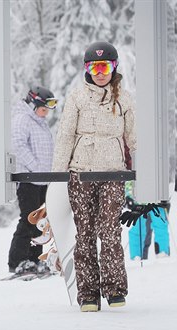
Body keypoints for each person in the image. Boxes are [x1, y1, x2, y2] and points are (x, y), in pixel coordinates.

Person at [52, 41, 136, 312]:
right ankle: (88, 293)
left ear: (114, 67)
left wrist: (144, 169)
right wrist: (58, 175)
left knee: (109, 230)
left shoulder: (124, 98)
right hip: (81, 172)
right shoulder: (77, 97)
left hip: (112, 172)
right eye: (94, 67)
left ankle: (115, 288)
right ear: (86, 70)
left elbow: (134, 137)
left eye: (105, 66)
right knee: (85, 232)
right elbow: (65, 136)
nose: (100, 73)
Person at [8, 86, 57, 274]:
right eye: (44, 109)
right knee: (29, 220)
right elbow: (18, 145)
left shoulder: (39, 122)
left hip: (42, 180)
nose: (46, 114)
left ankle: (35, 260)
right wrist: (36, 168)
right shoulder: (22, 120)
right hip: (29, 179)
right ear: (33, 104)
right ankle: (18, 261)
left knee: (41, 222)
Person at [124, 181, 170, 260]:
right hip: (138, 199)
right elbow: (130, 176)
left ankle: (163, 253)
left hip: (157, 197)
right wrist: (128, 195)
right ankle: (136, 256)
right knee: (137, 228)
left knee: (160, 224)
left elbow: (165, 173)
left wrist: (165, 194)